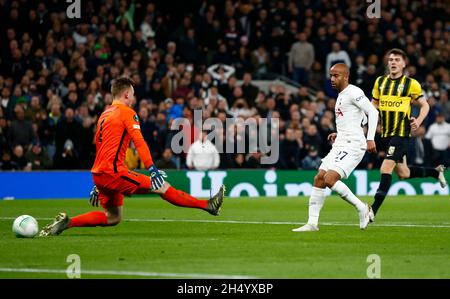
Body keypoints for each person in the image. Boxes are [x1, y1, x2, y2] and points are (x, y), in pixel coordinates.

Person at [40, 77, 225, 237]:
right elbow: (139, 141)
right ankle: (208, 205)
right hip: (114, 173)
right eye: (133, 93)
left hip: (100, 174)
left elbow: (99, 147)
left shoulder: (104, 115)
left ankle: (68, 222)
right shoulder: (127, 113)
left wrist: (99, 183)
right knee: (162, 187)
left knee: (113, 217)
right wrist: (152, 168)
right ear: (127, 94)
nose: (134, 97)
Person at [292, 63, 379, 232]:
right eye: (331, 76)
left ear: (346, 76)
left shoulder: (354, 92)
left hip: (353, 145)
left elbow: (373, 112)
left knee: (329, 179)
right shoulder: (340, 96)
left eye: (336, 75)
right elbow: (356, 120)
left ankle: (362, 207)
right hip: (341, 142)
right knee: (319, 178)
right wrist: (339, 133)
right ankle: (312, 223)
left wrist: (370, 138)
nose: (332, 79)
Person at [370, 49, 447, 218]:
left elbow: (425, 105)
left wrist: (418, 121)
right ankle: (436, 172)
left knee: (386, 167)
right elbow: (374, 104)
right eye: (390, 59)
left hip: (402, 133)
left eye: (397, 59)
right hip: (386, 134)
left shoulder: (411, 84)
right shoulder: (380, 82)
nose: (393, 62)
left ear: (404, 64)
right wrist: (368, 121)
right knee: (404, 174)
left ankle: (372, 210)